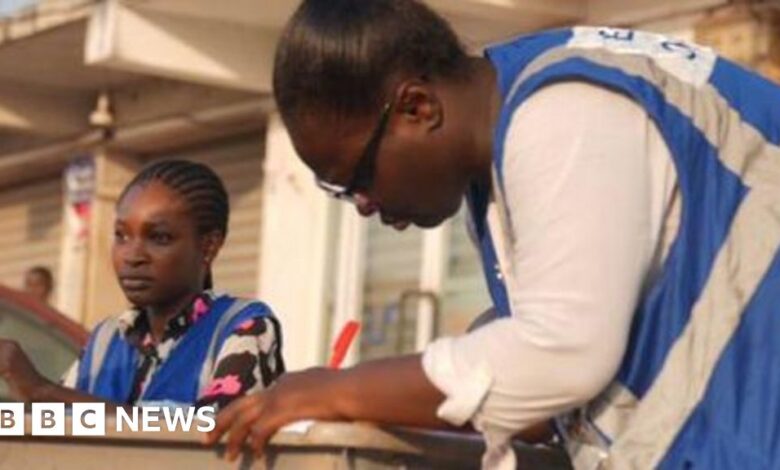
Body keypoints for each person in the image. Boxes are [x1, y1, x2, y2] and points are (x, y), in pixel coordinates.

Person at [205, 1, 780, 469]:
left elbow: (563, 352)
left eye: (356, 179)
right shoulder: (504, 153)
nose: (363, 206)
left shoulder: (561, 111)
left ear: (418, 107)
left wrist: (336, 389)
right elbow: (545, 381)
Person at [0, 160, 285, 410]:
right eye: (121, 236)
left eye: (159, 238)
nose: (132, 256)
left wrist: (44, 391)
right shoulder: (107, 339)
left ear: (209, 246)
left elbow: (207, 432)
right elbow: (59, 430)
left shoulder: (243, 328)